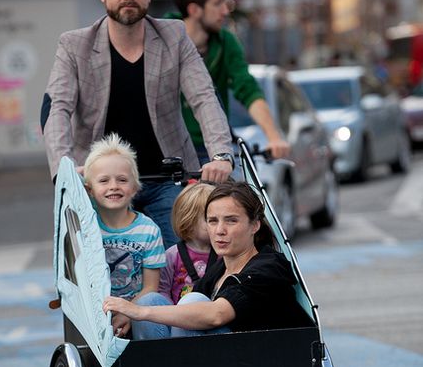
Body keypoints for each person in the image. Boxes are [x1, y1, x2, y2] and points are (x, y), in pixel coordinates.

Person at [41, 0, 235, 248]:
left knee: (180, 265)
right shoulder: (74, 45)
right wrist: (64, 169)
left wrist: (221, 154)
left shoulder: (174, 36)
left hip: (166, 179)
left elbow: (204, 97)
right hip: (102, 185)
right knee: (100, 275)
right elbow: (57, 109)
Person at [103, 181, 313, 339]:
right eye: (212, 221)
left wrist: (138, 312)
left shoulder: (268, 266)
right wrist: (136, 312)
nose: (219, 231)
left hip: (265, 362)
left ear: (255, 225)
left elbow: (216, 315)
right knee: (150, 300)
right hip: (220, 357)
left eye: (231, 221)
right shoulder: (220, 267)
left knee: (191, 303)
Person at [168, 0, 290, 164]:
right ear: (194, 10)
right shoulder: (161, 38)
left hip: (216, 149)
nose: (226, 11)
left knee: (242, 190)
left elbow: (248, 89)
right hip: (169, 153)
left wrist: (273, 136)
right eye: (218, 4)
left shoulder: (226, 42)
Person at [84, 133, 166, 337]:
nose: (113, 186)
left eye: (122, 180)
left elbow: (150, 287)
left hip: (137, 311)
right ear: (90, 190)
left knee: (152, 301)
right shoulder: (85, 231)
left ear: (135, 188)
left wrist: (128, 313)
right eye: (104, 180)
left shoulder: (148, 231)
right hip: (98, 315)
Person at [158, 181, 216, 304]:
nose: (218, 226)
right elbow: (163, 289)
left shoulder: (223, 254)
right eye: (211, 220)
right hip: (178, 316)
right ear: (189, 221)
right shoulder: (173, 255)